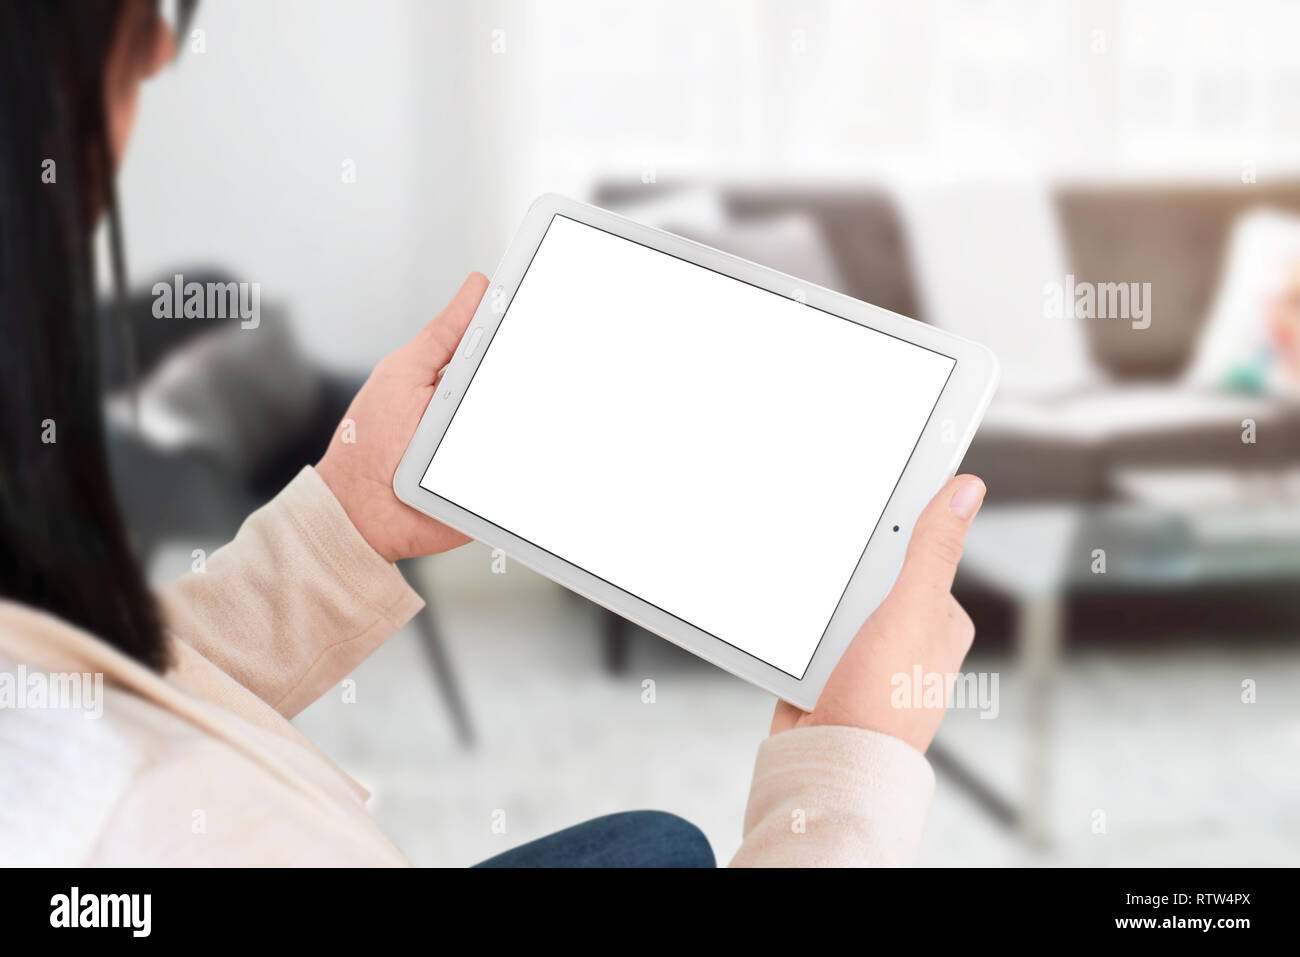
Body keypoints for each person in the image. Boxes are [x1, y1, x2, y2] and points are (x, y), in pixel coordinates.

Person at [0, 0, 985, 867]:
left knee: (657, 847)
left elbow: (69, 693)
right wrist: (849, 785)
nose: (164, 53)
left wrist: (338, 530)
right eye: (141, 21)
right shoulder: (114, 821)